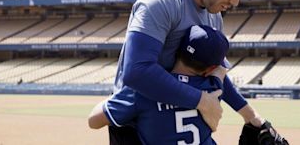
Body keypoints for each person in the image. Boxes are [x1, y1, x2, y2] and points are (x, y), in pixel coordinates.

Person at [110, 0, 270, 144]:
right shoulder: (160, 1)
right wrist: (202, 101)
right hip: (136, 125)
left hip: (176, 120)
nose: (235, 2)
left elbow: (214, 72)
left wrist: (251, 116)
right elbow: (136, 71)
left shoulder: (215, 16)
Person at [89, 25, 229, 144]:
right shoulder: (214, 88)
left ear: (176, 50)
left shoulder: (144, 90)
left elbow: (93, 121)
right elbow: (221, 71)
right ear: (211, 68)